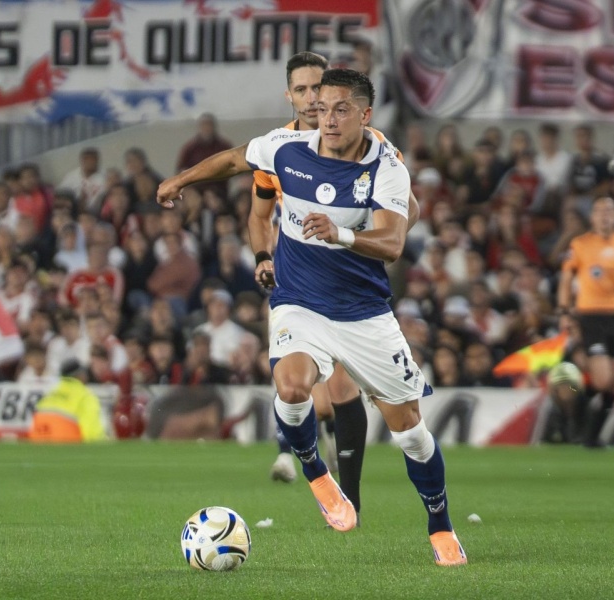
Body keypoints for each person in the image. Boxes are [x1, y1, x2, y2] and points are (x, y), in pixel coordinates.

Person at [157, 68, 466, 566]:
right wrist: (181, 179)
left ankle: (440, 524)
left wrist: (340, 234)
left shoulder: (385, 166)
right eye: (322, 109)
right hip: (299, 300)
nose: (329, 119)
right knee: (292, 387)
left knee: (410, 430)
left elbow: (392, 242)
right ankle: (316, 473)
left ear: (365, 114)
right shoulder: (287, 148)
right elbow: (235, 159)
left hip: (364, 313)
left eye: (341, 109)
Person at [250, 52, 419, 526]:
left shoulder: (372, 144)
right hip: (298, 279)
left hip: (351, 283)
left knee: (343, 389)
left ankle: (350, 499)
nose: (311, 100)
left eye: (317, 91)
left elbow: (409, 209)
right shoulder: (279, 149)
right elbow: (260, 214)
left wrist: (362, 236)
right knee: (294, 381)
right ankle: (303, 465)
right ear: (290, 95)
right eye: (302, 91)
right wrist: (263, 256)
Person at [557, 196, 614, 448]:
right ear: (592, 217)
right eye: (599, 210)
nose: (604, 215)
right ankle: (575, 421)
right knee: (603, 380)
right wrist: (564, 311)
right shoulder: (581, 244)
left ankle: (590, 437)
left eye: (609, 210)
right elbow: (566, 278)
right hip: (591, 316)